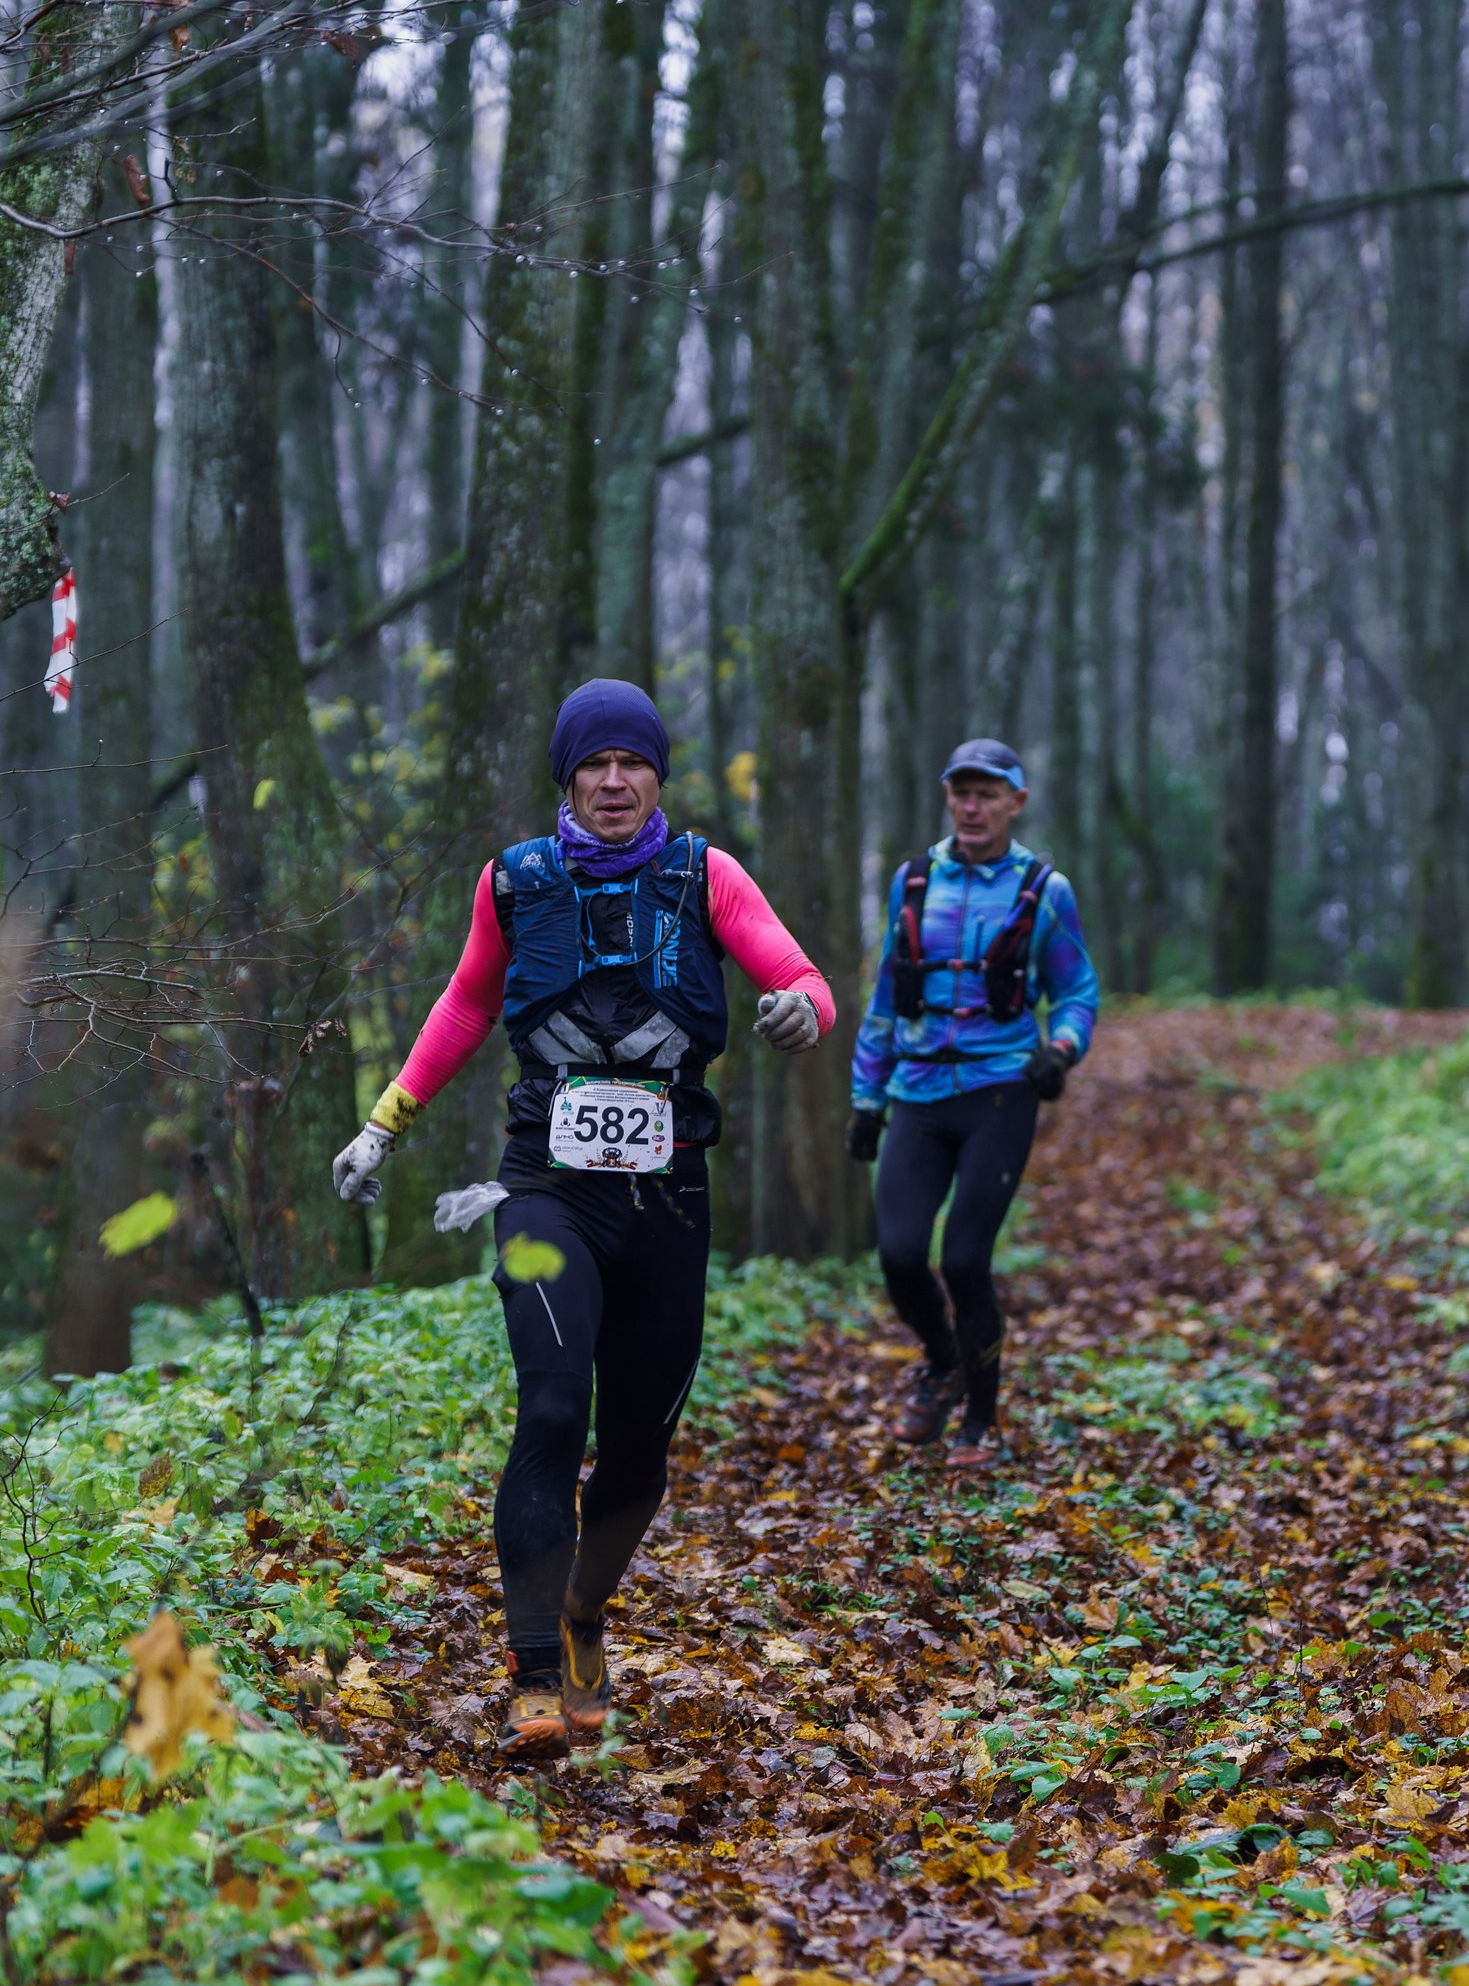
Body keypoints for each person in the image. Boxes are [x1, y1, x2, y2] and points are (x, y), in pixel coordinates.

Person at [332, 679, 833, 1750]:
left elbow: (795, 972)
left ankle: (581, 1615)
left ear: (657, 774)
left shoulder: (707, 877)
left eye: (631, 763)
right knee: (552, 1412)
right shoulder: (514, 883)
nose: (613, 782)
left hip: (667, 1195)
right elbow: (467, 1000)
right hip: (544, 1190)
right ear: (568, 778)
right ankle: (526, 1677)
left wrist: (801, 1008)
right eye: (592, 766)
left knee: (639, 1452)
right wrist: (385, 1123)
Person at [848, 738, 1098, 1465]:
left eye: (989, 792)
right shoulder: (914, 881)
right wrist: (866, 1099)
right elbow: (888, 998)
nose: (972, 804)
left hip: (999, 1094)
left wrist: (1062, 1050)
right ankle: (944, 1359)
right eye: (962, 790)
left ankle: (981, 1421)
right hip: (917, 1093)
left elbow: (1077, 992)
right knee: (898, 1254)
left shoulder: (1045, 891)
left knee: (963, 1260)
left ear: (1016, 802)